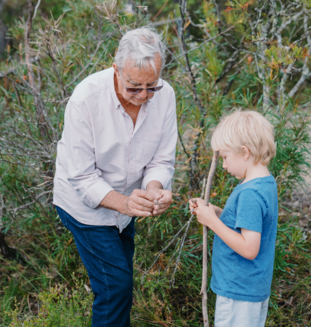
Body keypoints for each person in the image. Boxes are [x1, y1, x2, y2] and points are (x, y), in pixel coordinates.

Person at [53, 27, 177, 327]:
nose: (144, 96)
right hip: (85, 208)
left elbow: (161, 159)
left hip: (127, 206)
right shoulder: (85, 98)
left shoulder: (166, 95)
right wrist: (125, 204)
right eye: (135, 87)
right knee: (115, 288)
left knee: (120, 283)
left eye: (152, 86)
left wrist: (155, 189)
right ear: (116, 69)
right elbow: (81, 177)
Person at [189, 110, 278, 327]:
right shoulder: (264, 183)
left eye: (226, 157)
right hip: (252, 286)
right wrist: (213, 212)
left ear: (244, 152)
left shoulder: (250, 194)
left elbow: (249, 248)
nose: (224, 165)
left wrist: (213, 223)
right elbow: (245, 223)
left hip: (239, 289)